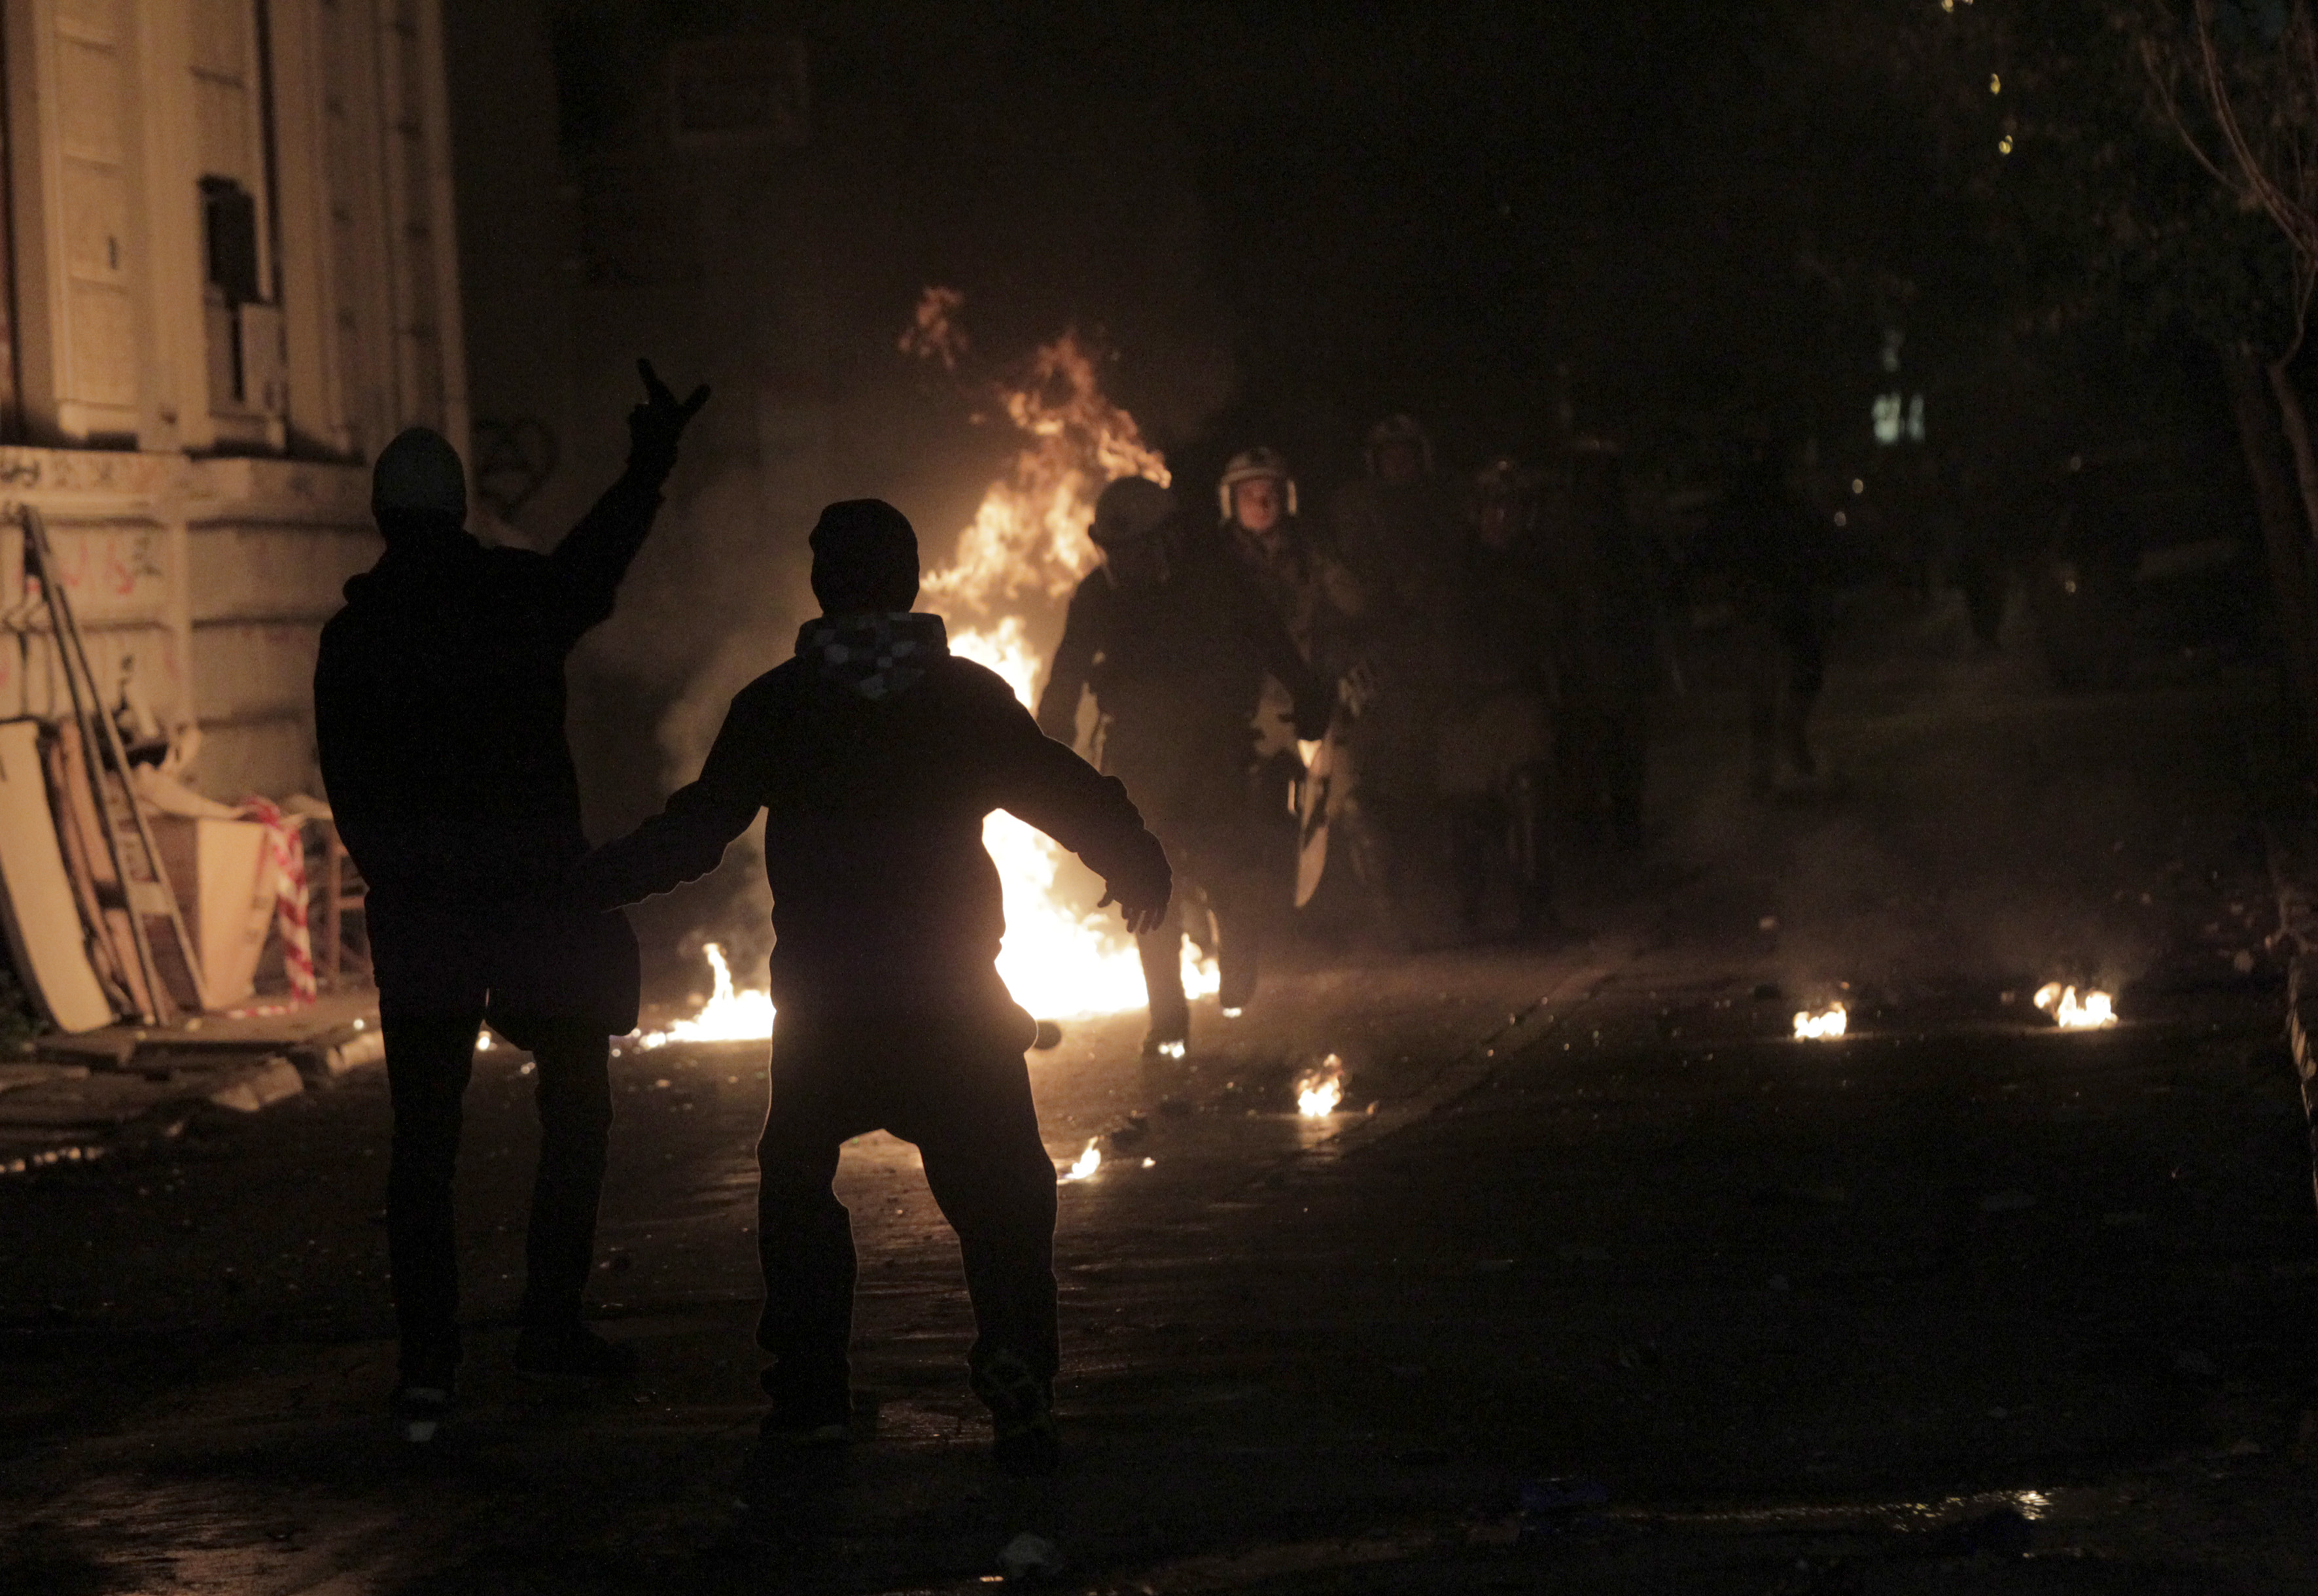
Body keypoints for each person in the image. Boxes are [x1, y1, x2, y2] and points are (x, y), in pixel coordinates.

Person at [569, 499, 1172, 1477]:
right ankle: (1016, 1367)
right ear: (913, 580)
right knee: (1007, 1197)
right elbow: (1060, 786)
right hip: (951, 1000)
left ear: (820, 585)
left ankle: (808, 1394)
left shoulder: (778, 704)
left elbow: (694, 831)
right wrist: (1134, 856)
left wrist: (595, 883)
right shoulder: (964, 698)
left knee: (796, 1189)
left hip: (830, 1003)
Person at [315, 360, 711, 1444]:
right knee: (574, 1109)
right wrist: (648, 462)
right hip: (538, 900)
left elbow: (348, 783)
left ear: (384, 519)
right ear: (455, 511)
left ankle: (428, 1368)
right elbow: (597, 561)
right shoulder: (512, 598)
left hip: (429, 915)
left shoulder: (355, 638)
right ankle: (550, 1324)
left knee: (424, 1145)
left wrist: (402, 877)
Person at [1038, 477, 1329, 1055]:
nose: (1122, 560)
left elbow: (1271, 640)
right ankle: (1167, 1018)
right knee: (1145, 879)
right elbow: (1068, 669)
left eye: (1136, 547)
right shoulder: (1098, 594)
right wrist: (1049, 735)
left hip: (1213, 747)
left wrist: (1306, 693)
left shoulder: (1218, 584)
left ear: (1168, 540)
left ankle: (1238, 950)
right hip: (1137, 754)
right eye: (1113, 549)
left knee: (1224, 865)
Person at [1214, 447, 1365, 929]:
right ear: (1229, 502)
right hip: (1248, 706)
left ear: (1288, 498)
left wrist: (1340, 654)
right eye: (1248, 495)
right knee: (1246, 813)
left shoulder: (1311, 552)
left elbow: (1356, 607)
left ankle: (1372, 915)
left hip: (1312, 697)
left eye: (1270, 493)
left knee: (1346, 804)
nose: (1260, 502)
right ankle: (1263, 927)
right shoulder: (1214, 562)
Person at [1327, 414, 1464, 937]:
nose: (1398, 463)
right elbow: (1340, 611)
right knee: (1367, 796)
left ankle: (1438, 900)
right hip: (1374, 681)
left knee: (1429, 794)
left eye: (1406, 453)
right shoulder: (1354, 521)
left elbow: (1452, 599)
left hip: (1430, 676)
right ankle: (1387, 907)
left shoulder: (1441, 517)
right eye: (1389, 455)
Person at [1437, 457, 1557, 931]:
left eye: (1509, 509)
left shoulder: (1536, 568)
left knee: (1529, 789)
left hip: (1517, 696)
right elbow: (1439, 637)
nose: (1500, 519)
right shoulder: (1454, 570)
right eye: (1492, 509)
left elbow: (1551, 629)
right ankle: (1470, 911)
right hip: (1463, 703)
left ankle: (1535, 907)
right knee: (1465, 808)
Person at [1549, 442, 1660, 852]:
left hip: (1616, 654)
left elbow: (1642, 590)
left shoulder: (1622, 525)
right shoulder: (1569, 527)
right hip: (1588, 657)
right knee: (1593, 754)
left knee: (1620, 753)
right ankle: (1597, 840)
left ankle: (1621, 836)